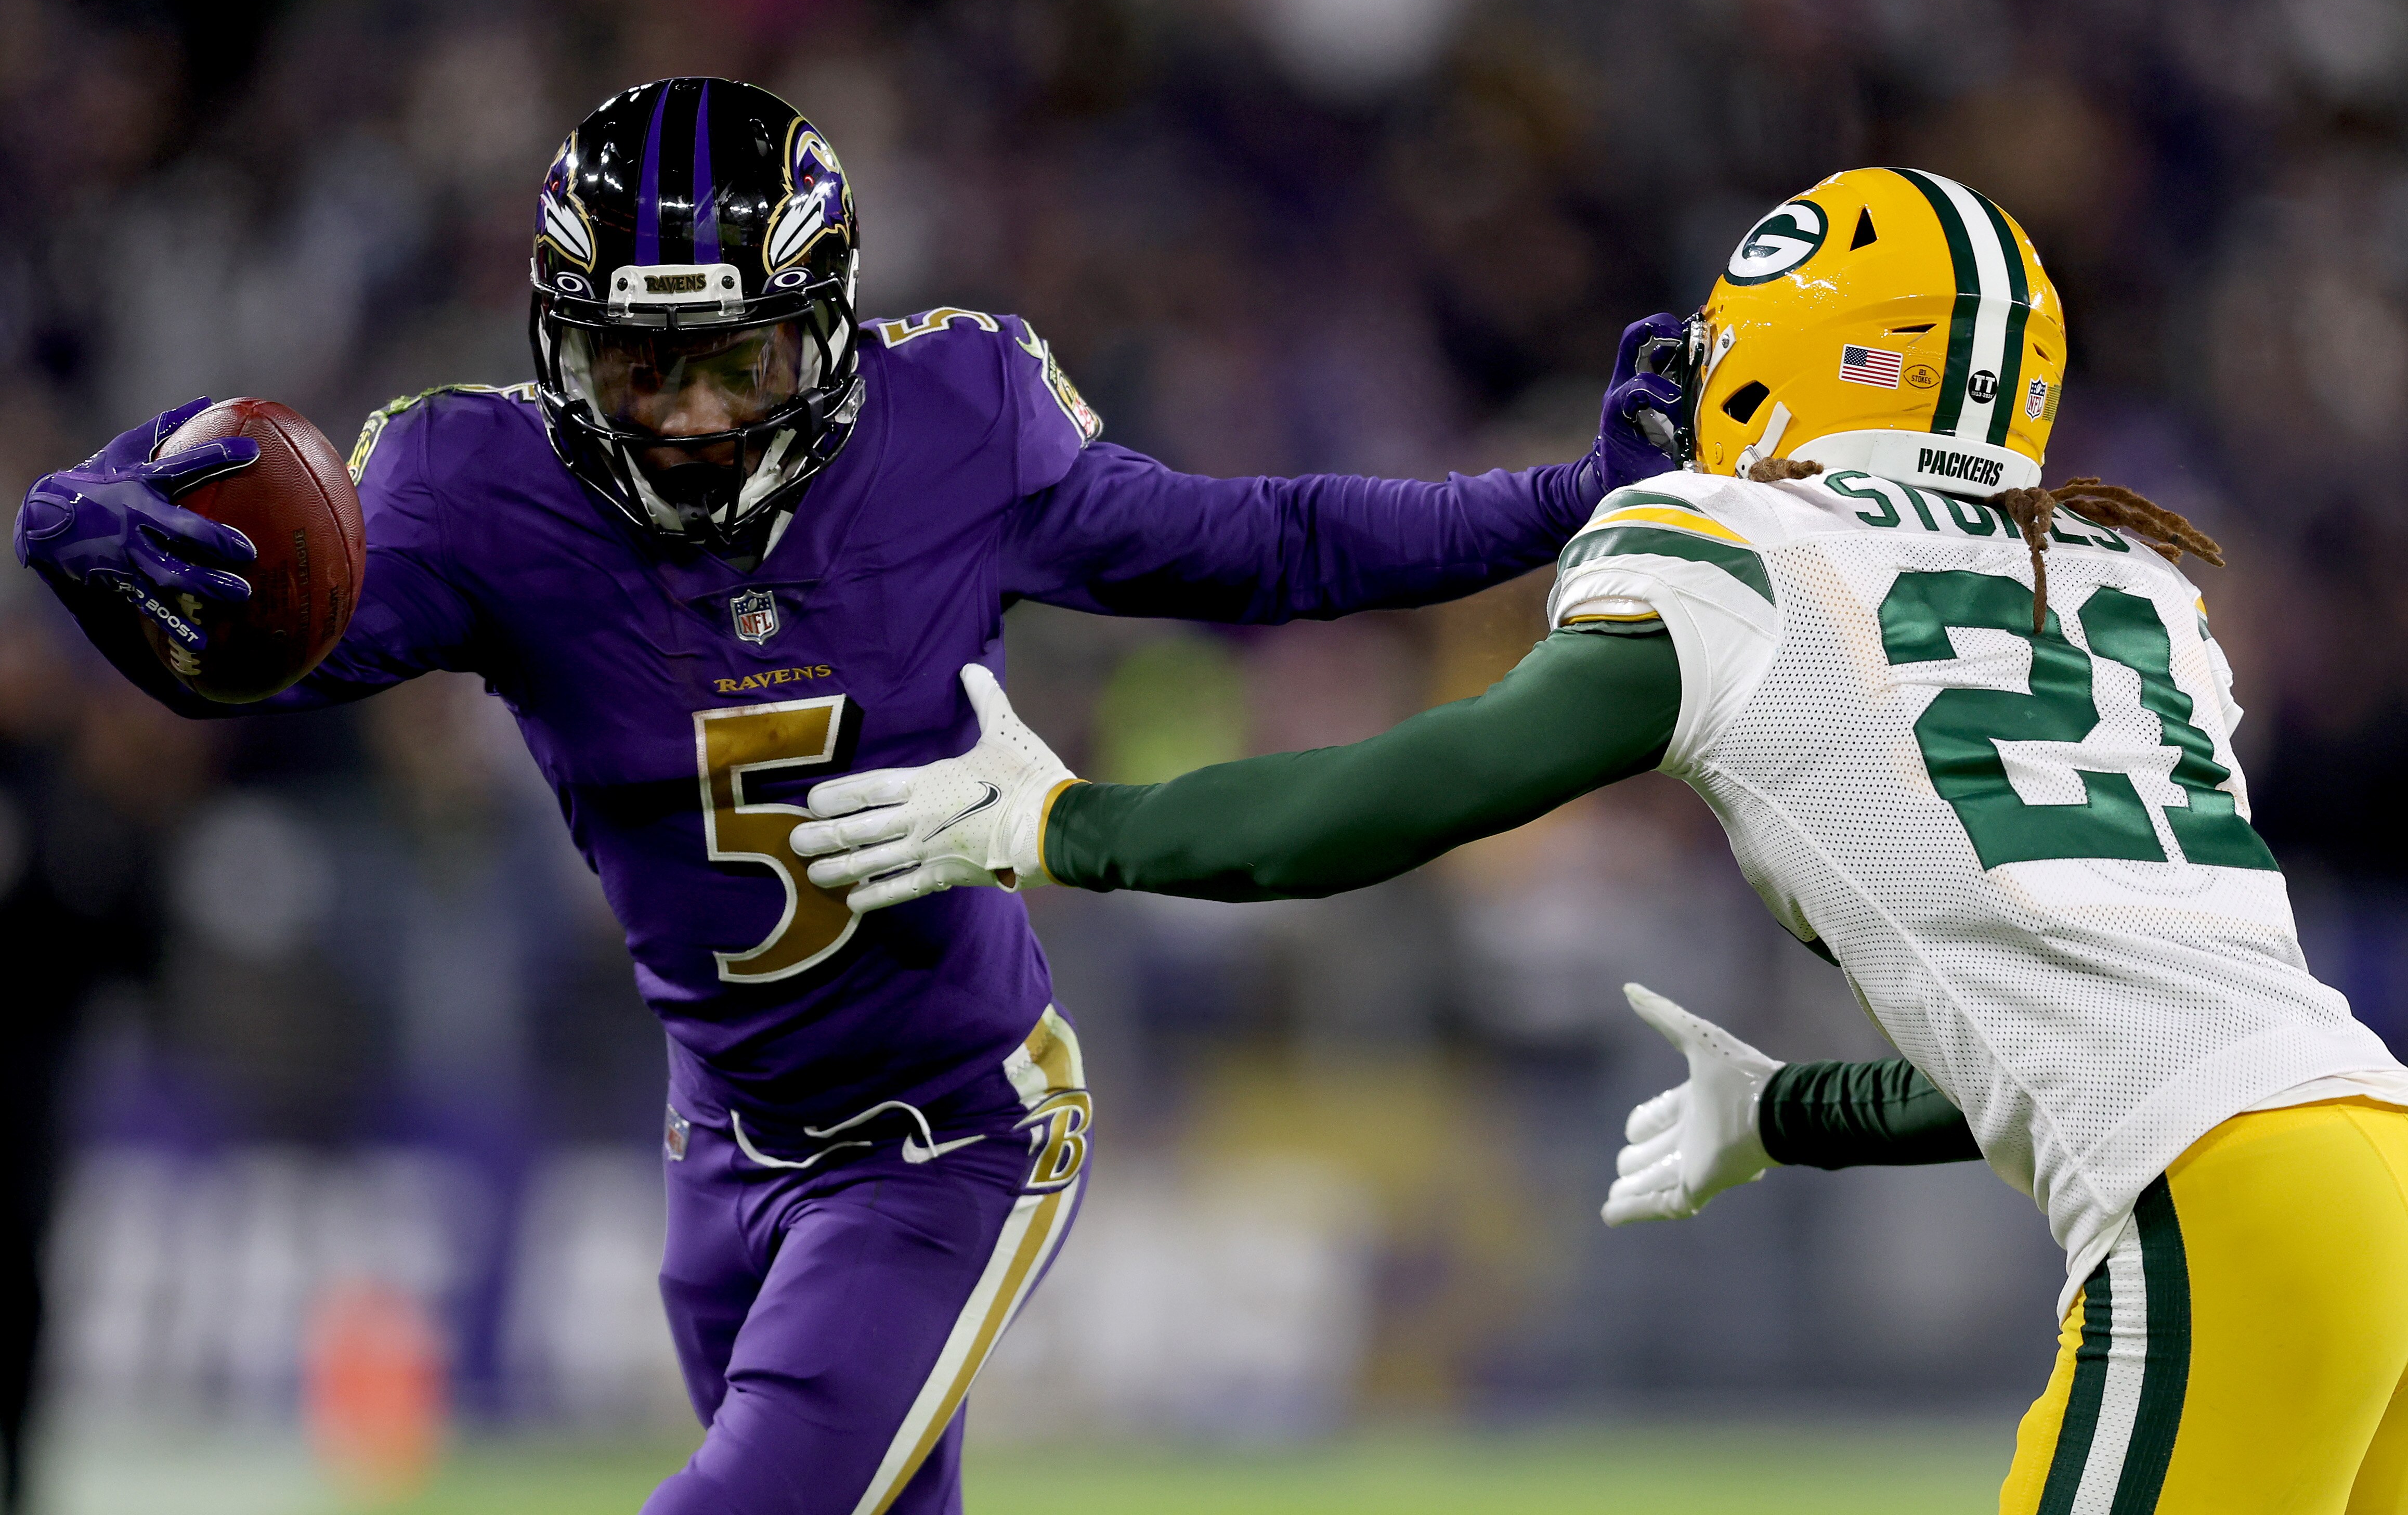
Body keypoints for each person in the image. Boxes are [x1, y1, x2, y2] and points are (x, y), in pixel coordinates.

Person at [8, 77, 1667, 1515]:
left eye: (736, 360)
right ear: (560, 347)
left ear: (827, 327)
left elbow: (1273, 545)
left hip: (950, 1130)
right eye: (643, 370)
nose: (695, 420)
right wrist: (122, 573)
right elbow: (264, 662)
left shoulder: (956, 423)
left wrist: (1568, 499)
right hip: (719, 1145)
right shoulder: (474, 487)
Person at [797, 166, 2408, 1511]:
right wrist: (1794, 1111)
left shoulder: (1736, 547)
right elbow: (2099, 1040)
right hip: (2371, 1155)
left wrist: (1067, 825)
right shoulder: (2130, 593)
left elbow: (1403, 792)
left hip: (2223, 1214)